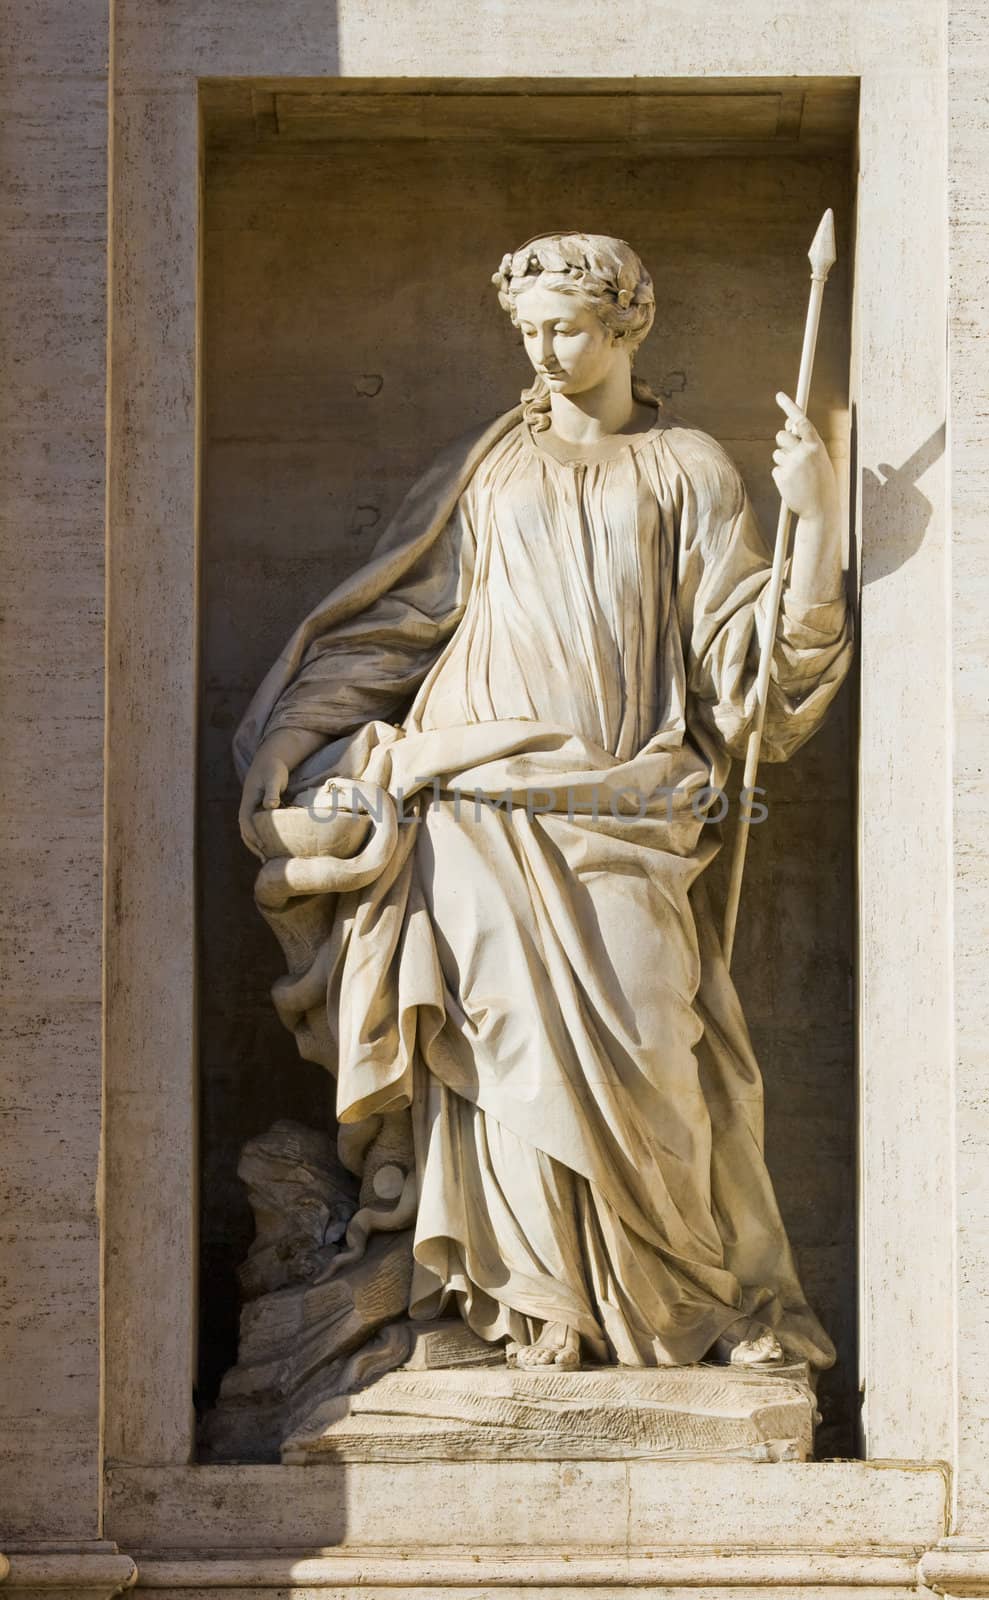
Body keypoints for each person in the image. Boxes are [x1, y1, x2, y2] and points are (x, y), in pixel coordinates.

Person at [234, 233, 852, 1372]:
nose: (543, 350)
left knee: (656, 1050)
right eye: (526, 331)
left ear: (627, 326)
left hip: (622, 806)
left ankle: (666, 1309)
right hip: (468, 799)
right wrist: (292, 729)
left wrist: (813, 530)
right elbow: (395, 625)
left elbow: (749, 672)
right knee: (497, 1045)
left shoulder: (688, 469)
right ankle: (518, 1312)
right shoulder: (487, 469)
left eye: (566, 326)